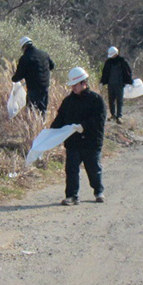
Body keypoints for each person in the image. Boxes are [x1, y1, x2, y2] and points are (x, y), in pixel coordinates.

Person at [49, 67, 107, 205]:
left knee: (93, 169)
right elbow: (60, 118)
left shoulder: (96, 100)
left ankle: (98, 191)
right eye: (72, 85)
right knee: (71, 170)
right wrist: (50, 132)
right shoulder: (68, 101)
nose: (73, 88)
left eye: (75, 85)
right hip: (73, 142)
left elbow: (100, 120)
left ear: (83, 83)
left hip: (91, 142)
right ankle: (72, 196)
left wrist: (84, 126)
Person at [11, 36, 55, 115]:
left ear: (24, 47)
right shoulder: (44, 54)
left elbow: (18, 75)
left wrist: (13, 79)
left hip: (33, 88)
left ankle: (32, 126)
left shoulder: (25, 58)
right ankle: (42, 125)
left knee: (31, 110)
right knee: (43, 110)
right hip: (45, 86)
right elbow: (52, 66)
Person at [99, 45, 133, 123]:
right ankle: (113, 115)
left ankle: (119, 117)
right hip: (111, 84)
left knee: (119, 100)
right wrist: (102, 82)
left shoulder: (122, 61)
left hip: (120, 84)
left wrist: (129, 81)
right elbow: (105, 73)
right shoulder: (108, 62)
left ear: (116, 53)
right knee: (111, 100)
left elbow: (127, 72)